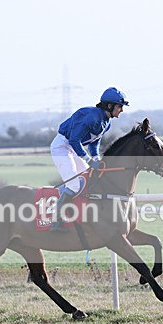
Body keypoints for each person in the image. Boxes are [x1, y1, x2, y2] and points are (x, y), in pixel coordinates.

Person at [48, 87, 129, 232]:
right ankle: (56, 221)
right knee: (74, 185)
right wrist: (89, 160)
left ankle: (84, 214)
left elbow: (94, 142)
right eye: (119, 106)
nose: (121, 110)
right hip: (62, 147)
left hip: (73, 148)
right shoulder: (92, 117)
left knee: (89, 176)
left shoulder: (106, 122)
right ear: (109, 105)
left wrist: (96, 158)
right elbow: (74, 140)